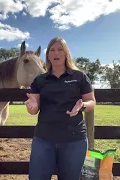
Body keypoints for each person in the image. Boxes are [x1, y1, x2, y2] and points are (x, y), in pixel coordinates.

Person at [24, 37, 96, 180]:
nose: (56, 53)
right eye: (52, 50)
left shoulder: (80, 76)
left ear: (66, 54)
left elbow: (91, 102)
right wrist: (32, 107)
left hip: (74, 140)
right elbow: (33, 109)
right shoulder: (40, 80)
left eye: (60, 49)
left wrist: (82, 105)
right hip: (44, 139)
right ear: (48, 56)